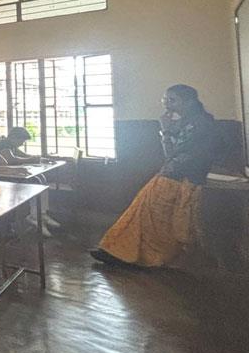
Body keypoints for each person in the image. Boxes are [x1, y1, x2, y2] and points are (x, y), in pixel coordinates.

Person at [91, 85, 219, 268]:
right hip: (172, 176)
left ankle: (136, 255)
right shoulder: (191, 121)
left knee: (153, 220)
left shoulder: (199, 124)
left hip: (180, 179)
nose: (167, 104)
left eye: (172, 100)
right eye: (165, 99)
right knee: (142, 215)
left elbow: (173, 154)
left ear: (189, 102)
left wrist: (165, 130)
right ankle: (118, 251)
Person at [0, 127, 62, 232]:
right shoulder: (4, 144)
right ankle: (35, 215)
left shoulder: (11, 145)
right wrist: (32, 159)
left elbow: (24, 155)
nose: (22, 143)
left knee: (41, 178)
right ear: (14, 138)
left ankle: (41, 213)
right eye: (22, 140)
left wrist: (40, 159)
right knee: (36, 182)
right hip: (3, 178)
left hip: (12, 175)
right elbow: (11, 160)